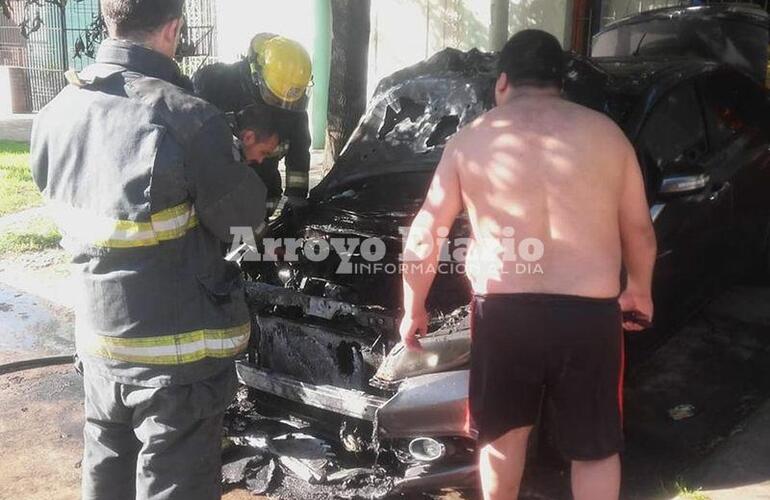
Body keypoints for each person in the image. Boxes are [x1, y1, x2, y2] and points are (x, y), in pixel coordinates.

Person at [398, 30, 657, 500]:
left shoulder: (469, 141)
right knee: (594, 448)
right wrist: (639, 288)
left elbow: (426, 232)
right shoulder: (606, 136)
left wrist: (413, 306)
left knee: (502, 436)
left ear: (502, 83)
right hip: (589, 315)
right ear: (560, 82)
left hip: (504, 315)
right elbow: (639, 230)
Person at [29, 1, 271, 498]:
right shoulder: (188, 119)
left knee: (106, 475)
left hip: (100, 347)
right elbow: (243, 224)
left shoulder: (56, 112)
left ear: (109, 18)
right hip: (176, 368)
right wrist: (241, 169)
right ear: (173, 29)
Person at [193, 33, 313, 217]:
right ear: (256, 76)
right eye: (273, 97)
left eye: (290, 100)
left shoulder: (292, 102)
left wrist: (296, 198)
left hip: (264, 195)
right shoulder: (216, 85)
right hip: (220, 200)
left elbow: (299, 153)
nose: (282, 106)